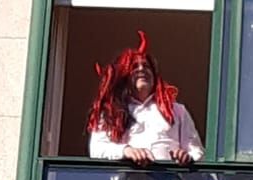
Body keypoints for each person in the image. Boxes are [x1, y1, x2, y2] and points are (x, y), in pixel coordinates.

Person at [87, 31, 204, 164]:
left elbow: (197, 151)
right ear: (124, 76)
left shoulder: (176, 110)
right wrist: (126, 151)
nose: (142, 69)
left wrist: (186, 156)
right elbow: (96, 149)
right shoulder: (109, 113)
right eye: (134, 67)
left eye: (147, 66)